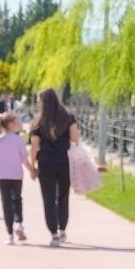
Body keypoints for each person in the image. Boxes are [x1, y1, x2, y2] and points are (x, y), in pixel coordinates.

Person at [29, 88, 80, 246]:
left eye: (39, 101)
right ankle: (62, 229)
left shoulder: (38, 122)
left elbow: (34, 146)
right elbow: (75, 138)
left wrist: (32, 165)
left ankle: (53, 234)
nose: (38, 103)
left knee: (48, 198)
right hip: (64, 161)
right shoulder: (68, 117)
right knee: (63, 196)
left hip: (45, 162)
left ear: (43, 102)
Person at [0, 111, 30, 244]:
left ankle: (10, 234)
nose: (20, 123)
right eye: (17, 121)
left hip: (3, 175)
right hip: (17, 175)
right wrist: (32, 171)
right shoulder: (18, 140)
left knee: (6, 203)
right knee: (17, 199)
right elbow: (24, 159)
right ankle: (19, 223)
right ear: (12, 124)